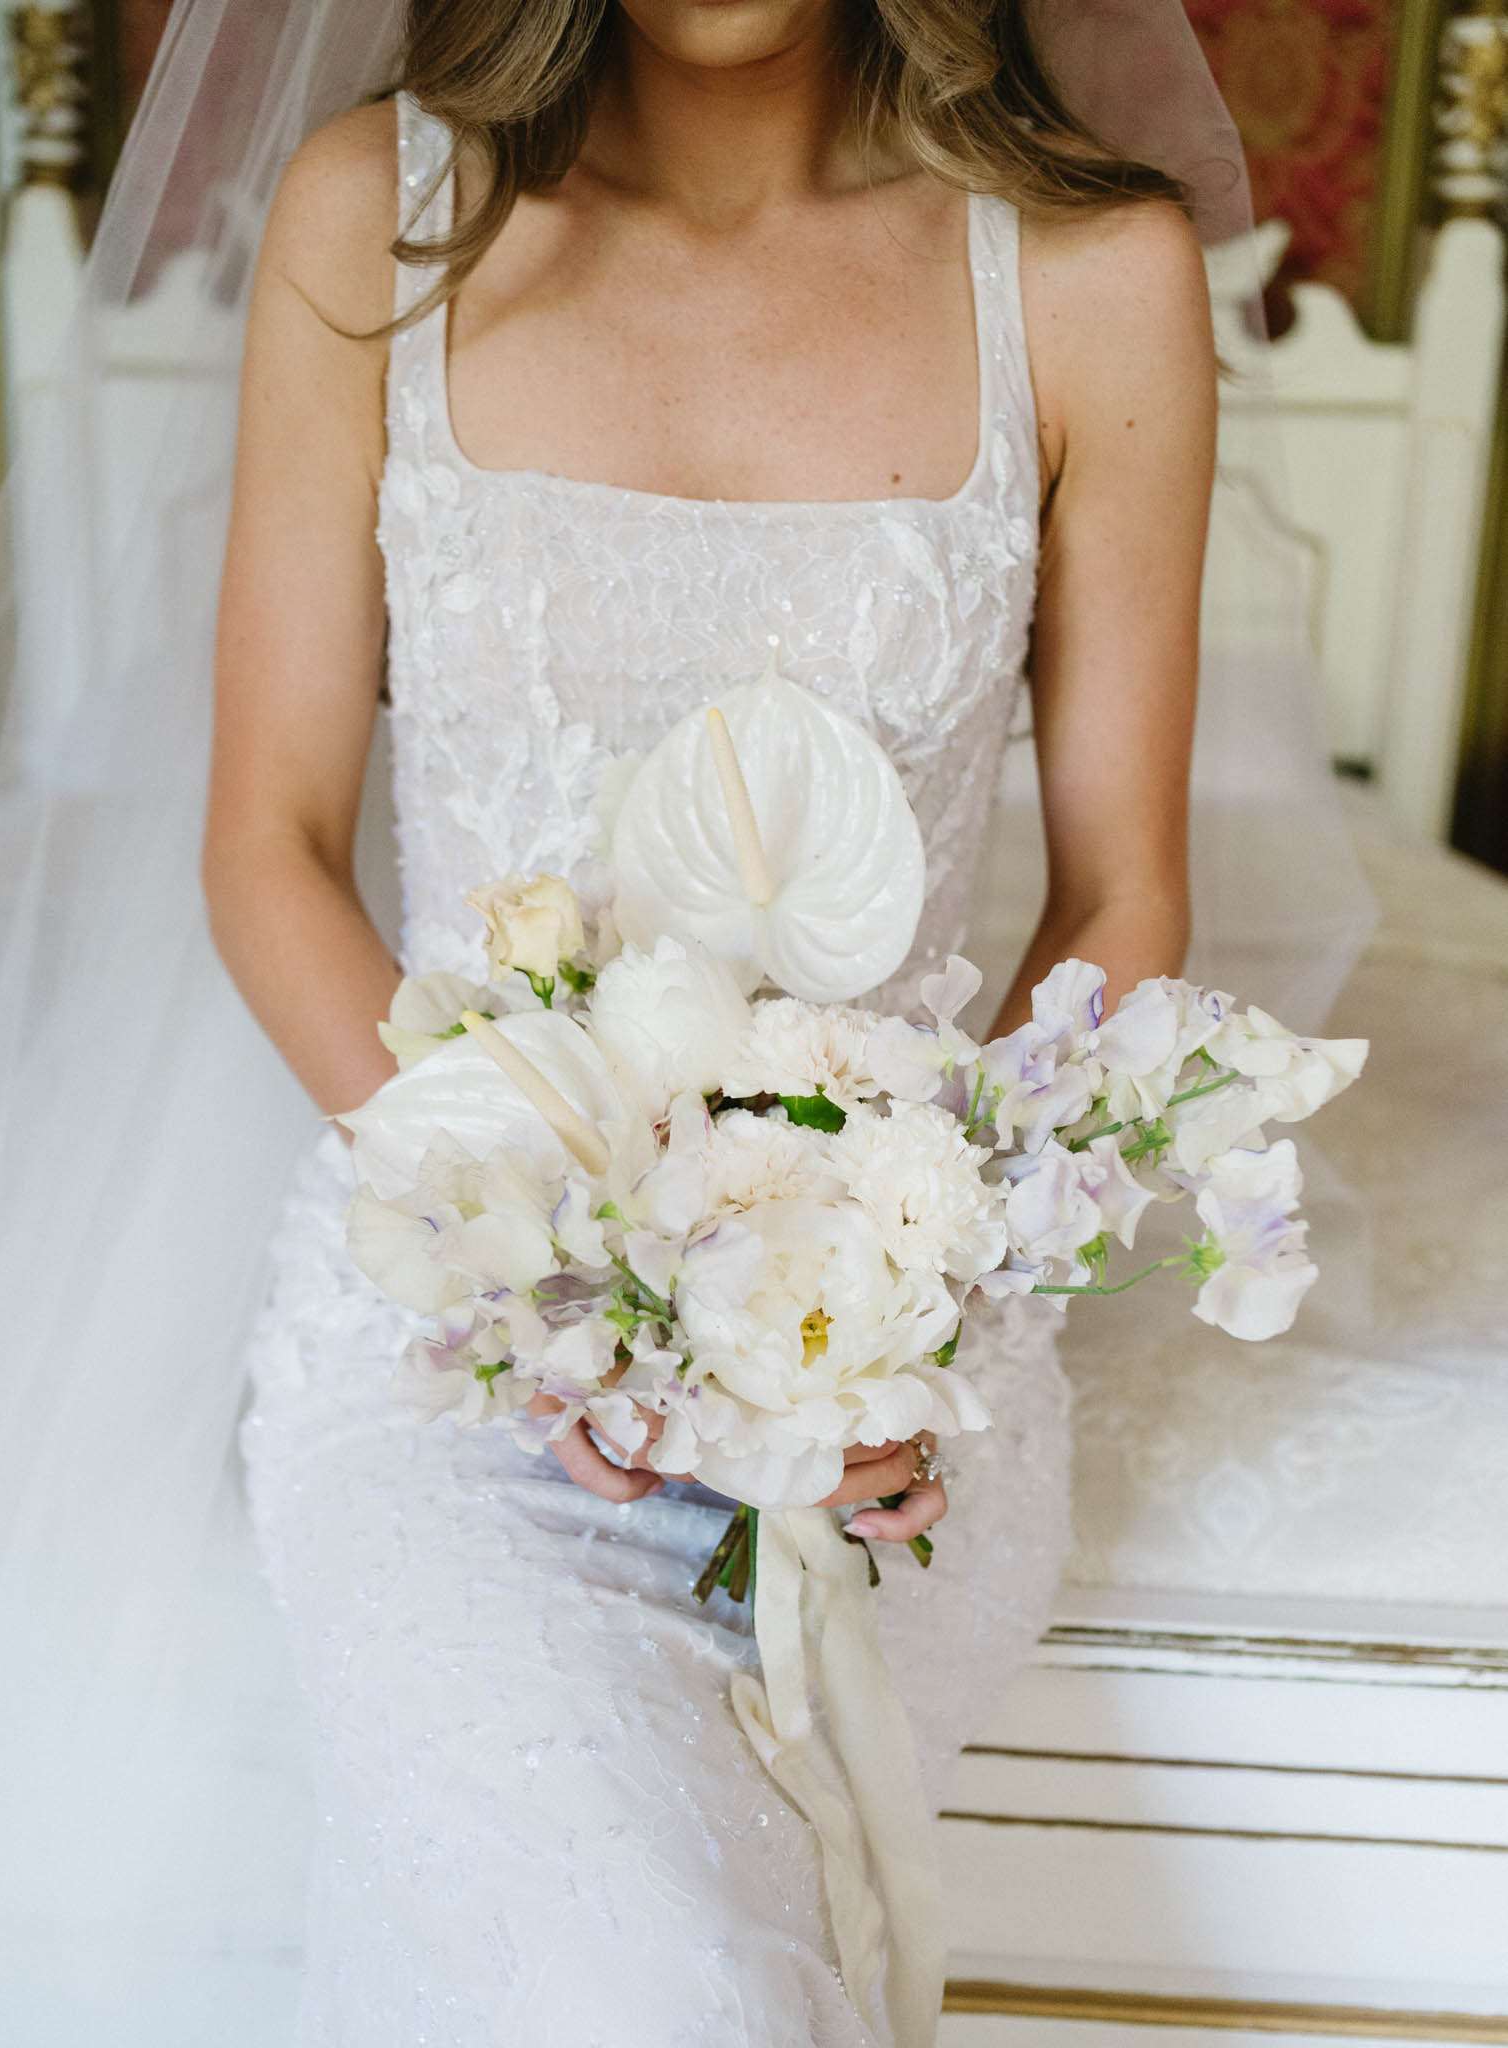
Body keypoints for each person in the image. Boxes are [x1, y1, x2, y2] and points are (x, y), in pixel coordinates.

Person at [200, 1, 1214, 2037]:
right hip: (457, 1347)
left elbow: (1121, 893)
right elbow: (270, 853)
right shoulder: (374, 226)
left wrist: (917, 1315)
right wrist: (574, 1288)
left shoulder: (1099, 278)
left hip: (890, 1388)